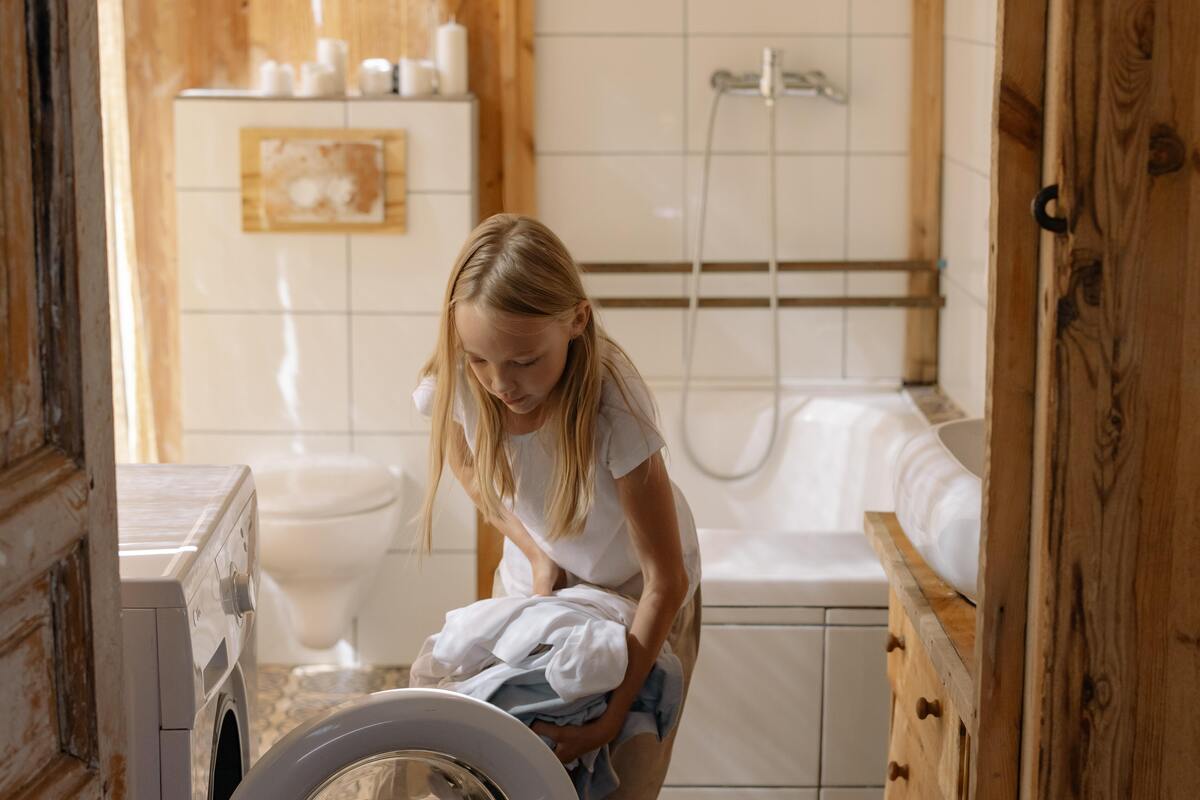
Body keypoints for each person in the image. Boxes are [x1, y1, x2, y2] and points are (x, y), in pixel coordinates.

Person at [411, 213, 702, 797]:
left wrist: (612, 718)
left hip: (638, 597)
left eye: (524, 361)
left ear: (576, 320)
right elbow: (468, 464)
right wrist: (535, 554)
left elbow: (663, 580)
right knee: (504, 778)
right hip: (537, 583)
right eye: (479, 359)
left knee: (622, 784)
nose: (500, 383)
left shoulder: (612, 402)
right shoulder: (463, 377)